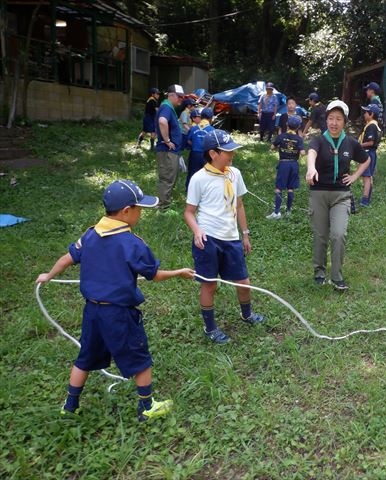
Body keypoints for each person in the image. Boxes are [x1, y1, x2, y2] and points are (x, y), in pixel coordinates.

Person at [36, 180, 195, 421]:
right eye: (139, 208)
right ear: (126, 212)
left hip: (93, 312)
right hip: (119, 314)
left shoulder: (90, 234)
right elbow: (153, 275)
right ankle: (147, 407)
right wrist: (179, 273)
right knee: (140, 359)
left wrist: (48, 275)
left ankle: (70, 406)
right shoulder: (133, 244)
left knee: (85, 358)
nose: (141, 213)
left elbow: (68, 257)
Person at [184, 130, 265, 344]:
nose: (232, 155)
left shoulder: (234, 173)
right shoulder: (199, 179)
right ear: (213, 154)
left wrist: (245, 234)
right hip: (208, 239)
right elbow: (189, 212)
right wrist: (197, 231)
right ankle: (210, 328)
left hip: (231, 238)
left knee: (243, 281)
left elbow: (239, 205)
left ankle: (247, 314)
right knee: (209, 284)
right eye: (228, 152)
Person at [305, 100, 370, 290]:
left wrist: (355, 176)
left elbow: (366, 160)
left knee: (339, 234)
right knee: (320, 235)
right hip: (319, 194)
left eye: (338, 119)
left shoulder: (350, 142)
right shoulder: (318, 140)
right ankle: (319, 272)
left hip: (341, 195)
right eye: (331, 118)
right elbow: (311, 154)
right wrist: (310, 169)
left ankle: (336, 276)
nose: (334, 123)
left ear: (344, 121)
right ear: (326, 120)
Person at [266, 115, 306, 219]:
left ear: (287, 125)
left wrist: (278, 147)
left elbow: (272, 147)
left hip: (283, 164)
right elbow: (302, 153)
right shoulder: (299, 139)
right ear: (298, 127)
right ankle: (288, 211)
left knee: (279, 188)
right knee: (290, 188)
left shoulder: (281, 136)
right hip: (294, 164)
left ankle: (277, 212)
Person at [156, 84, 185, 211]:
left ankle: (164, 204)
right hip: (167, 151)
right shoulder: (166, 108)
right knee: (167, 178)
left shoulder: (167, 107)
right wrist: (167, 140)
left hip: (170, 151)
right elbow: (162, 121)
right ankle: (163, 208)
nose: (181, 100)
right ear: (171, 95)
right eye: (179, 97)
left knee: (169, 177)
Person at [185, 108, 215, 190]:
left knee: (192, 173)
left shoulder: (193, 128)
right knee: (206, 173)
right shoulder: (212, 130)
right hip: (206, 155)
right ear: (210, 118)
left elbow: (188, 140)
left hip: (194, 154)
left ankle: (189, 189)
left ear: (201, 117)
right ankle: (204, 190)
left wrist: (195, 144)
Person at [358, 104, 382, 207]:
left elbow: (371, 142)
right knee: (368, 176)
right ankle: (367, 197)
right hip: (370, 153)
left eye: (366, 112)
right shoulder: (374, 124)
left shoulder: (372, 126)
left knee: (367, 177)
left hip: (367, 153)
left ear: (371, 114)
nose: (364, 114)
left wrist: (358, 145)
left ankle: (365, 200)